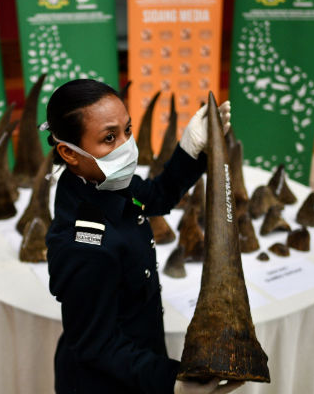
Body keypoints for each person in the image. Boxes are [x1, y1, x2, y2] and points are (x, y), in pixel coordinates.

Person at [44, 79, 242, 394]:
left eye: (127, 130)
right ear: (69, 152)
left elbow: (157, 195)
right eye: (109, 137)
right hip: (107, 383)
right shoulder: (82, 246)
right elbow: (97, 346)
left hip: (139, 357)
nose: (125, 144)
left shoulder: (100, 182)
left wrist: (190, 147)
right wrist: (173, 382)